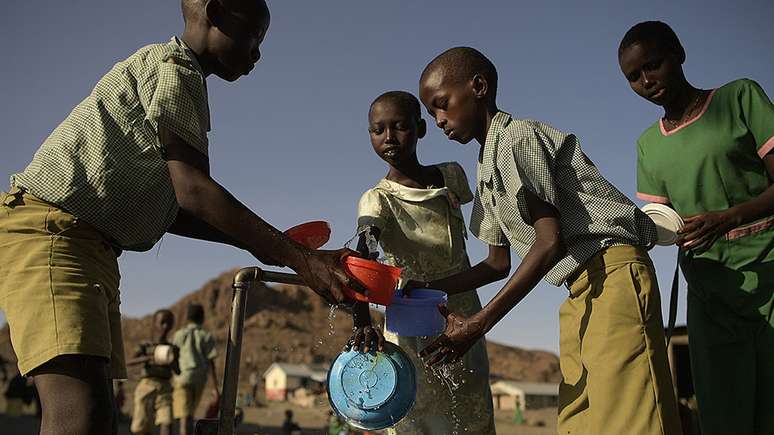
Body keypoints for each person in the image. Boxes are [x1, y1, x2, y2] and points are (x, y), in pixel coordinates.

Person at [0, 1, 361, 433]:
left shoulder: (170, 73)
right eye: (253, 36)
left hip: (85, 243)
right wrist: (299, 258)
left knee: (96, 415)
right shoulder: (175, 69)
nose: (257, 54)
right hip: (55, 236)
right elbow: (194, 192)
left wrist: (272, 242)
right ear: (216, 13)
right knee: (77, 415)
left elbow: (174, 208)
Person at [415, 46, 682, 435]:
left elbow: (549, 243)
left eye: (442, 104)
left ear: (478, 87)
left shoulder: (518, 140)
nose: (439, 120)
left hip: (613, 274)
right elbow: (496, 264)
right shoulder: (487, 166)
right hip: (578, 291)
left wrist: (480, 322)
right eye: (432, 113)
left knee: (631, 418)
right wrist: (424, 289)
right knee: (579, 420)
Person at [618, 21, 774, 435]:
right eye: (634, 76)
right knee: (724, 413)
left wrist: (730, 217)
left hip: (769, 273)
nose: (646, 81)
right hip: (709, 290)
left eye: (653, 65)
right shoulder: (648, 145)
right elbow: (661, 226)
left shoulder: (741, 97)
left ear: (679, 54)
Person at [350, 91, 495, 434]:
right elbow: (362, 256)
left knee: (469, 411)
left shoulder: (451, 177)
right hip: (410, 321)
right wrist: (361, 322)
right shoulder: (378, 200)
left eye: (399, 126)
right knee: (418, 416)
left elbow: (484, 250)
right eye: (377, 130)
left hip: (462, 313)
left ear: (420, 129)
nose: (388, 138)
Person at [127, 309, 179, 435]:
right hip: (146, 385)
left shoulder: (172, 349)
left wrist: (172, 362)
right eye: (162, 322)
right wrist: (148, 358)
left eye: (169, 323)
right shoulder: (146, 345)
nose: (165, 326)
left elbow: (178, 371)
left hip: (165, 387)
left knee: (167, 422)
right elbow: (128, 361)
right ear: (155, 323)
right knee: (141, 426)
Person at [173, 303, 218, 435]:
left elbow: (173, 357)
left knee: (184, 416)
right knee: (191, 412)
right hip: (199, 379)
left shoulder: (179, 334)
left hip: (183, 378)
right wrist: (215, 387)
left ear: (187, 318)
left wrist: (176, 374)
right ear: (202, 318)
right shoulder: (206, 335)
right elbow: (211, 362)